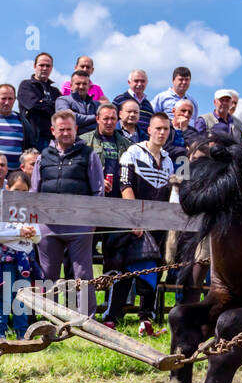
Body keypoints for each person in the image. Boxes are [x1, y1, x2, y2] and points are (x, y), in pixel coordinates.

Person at [30, 109, 107, 317]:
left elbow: (98, 190)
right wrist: (35, 222)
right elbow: (34, 191)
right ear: (53, 130)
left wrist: (91, 222)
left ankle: (85, 318)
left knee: (82, 273)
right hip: (48, 226)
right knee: (48, 274)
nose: (66, 133)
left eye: (69, 129)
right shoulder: (42, 157)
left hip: (79, 225)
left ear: (76, 130)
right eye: (61, 129)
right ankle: (50, 316)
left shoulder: (88, 154)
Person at [106, 112, 176, 335]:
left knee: (153, 271)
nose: (162, 132)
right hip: (134, 222)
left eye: (165, 129)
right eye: (158, 128)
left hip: (159, 224)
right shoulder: (133, 153)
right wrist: (135, 217)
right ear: (149, 130)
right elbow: (125, 185)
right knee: (125, 271)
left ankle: (146, 320)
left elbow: (171, 193)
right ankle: (111, 317)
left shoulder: (168, 159)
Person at [0, 170, 41, 339]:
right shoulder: (2, 211)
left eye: (25, 192)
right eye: (17, 191)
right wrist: (19, 232)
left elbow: (38, 237)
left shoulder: (31, 212)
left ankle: (21, 334)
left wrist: (30, 233)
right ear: (7, 189)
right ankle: (0, 334)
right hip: (6, 261)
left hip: (25, 262)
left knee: (22, 298)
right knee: (4, 297)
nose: (21, 195)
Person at [80, 102, 133, 189]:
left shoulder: (128, 145)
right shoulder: (84, 141)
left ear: (117, 120)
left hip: (120, 196)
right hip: (94, 194)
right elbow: (78, 169)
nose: (109, 122)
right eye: (105, 119)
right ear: (97, 119)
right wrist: (96, 181)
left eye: (113, 118)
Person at [18, 52, 58, 150]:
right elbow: (32, 105)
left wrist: (42, 103)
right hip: (33, 139)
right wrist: (51, 106)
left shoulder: (55, 91)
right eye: (41, 65)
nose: (44, 68)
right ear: (35, 66)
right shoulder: (26, 85)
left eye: (48, 66)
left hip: (53, 139)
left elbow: (60, 110)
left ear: (51, 68)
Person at [56, 70, 99, 134]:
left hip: (95, 141)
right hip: (73, 142)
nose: (81, 87)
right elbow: (68, 118)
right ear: (71, 86)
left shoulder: (97, 104)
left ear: (89, 86)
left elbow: (103, 122)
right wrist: (95, 118)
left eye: (84, 84)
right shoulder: (62, 100)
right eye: (78, 84)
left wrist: (79, 120)